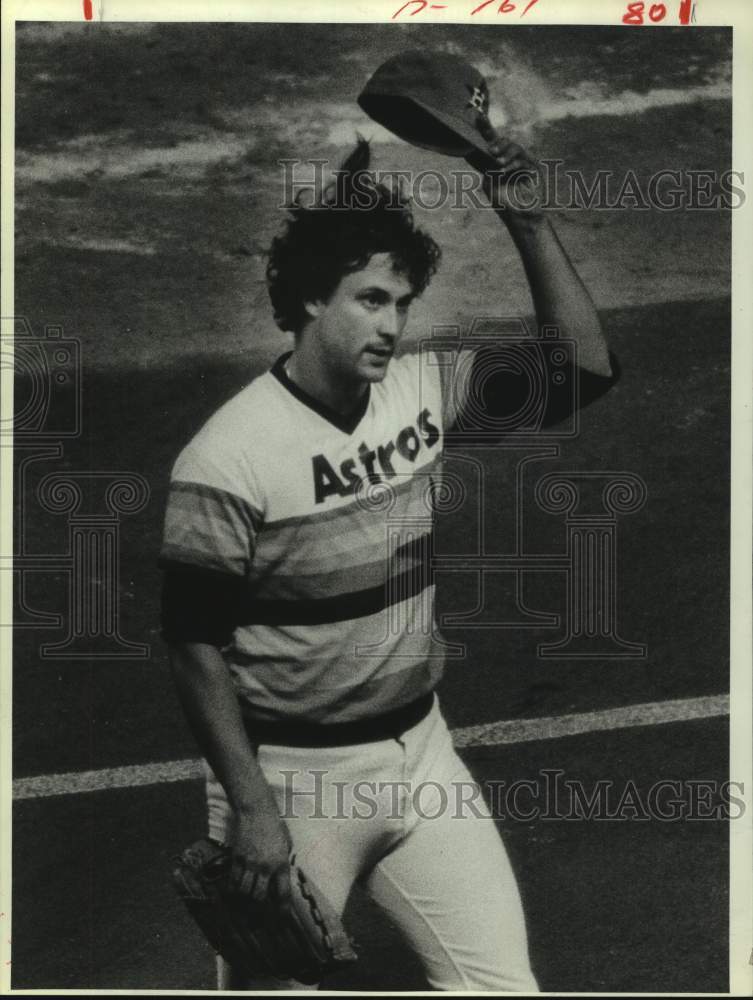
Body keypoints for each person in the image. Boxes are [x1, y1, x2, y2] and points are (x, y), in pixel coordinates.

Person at [160, 119, 616, 991]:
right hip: (290, 785)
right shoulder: (229, 457)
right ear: (306, 302)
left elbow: (582, 374)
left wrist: (525, 223)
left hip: (421, 758)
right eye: (371, 299)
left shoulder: (421, 391)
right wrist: (252, 810)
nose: (392, 325)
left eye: (402, 304)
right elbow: (192, 643)